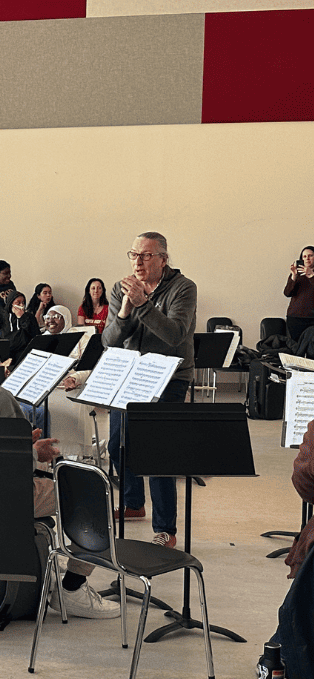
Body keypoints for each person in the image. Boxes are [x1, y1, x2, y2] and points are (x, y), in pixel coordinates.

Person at [0, 300, 119, 619]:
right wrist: (36, 452)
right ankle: (72, 588)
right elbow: (10, 468)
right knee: (92, 494)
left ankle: (38, 563)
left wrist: (20, 445)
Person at [102, 232, 196, 548]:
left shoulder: (184, 288)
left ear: (163, 259)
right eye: (133, 255)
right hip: (131, 376)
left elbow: (174, 334)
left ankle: (165, 529)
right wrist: (127, 308)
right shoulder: (121, 288)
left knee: (157, 452)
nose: (137, 262)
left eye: (145, 256)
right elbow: (110, 340)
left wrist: (143, 304)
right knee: (117, 445)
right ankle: (133, 502)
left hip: (170, 376)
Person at [283, 246, 314, 343]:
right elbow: (287, 293)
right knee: (297, 348)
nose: (307, 259)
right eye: (304, 256)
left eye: (310, 256)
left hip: (312, 318)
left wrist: (311, 275)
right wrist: (293, 276)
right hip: (295, 317)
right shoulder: (297, 274)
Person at [2, 291, 40, 366]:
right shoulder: (3, 318)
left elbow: (35, 334)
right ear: (11, 303)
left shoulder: (29, 317)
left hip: (25, 352)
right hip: (8, 354)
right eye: (18, 303)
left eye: (23, 302)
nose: (21, 305)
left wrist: (22, 318)